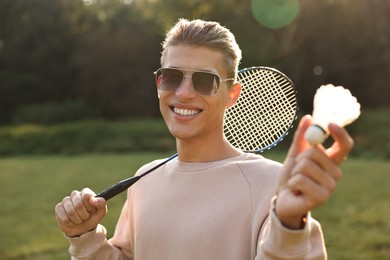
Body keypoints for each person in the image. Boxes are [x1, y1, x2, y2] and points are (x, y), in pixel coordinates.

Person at [55, 19, 353, 259]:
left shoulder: (273, 184)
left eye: (204, 80)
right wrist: (85, 238)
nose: (184, 92)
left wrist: (288, 224)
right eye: (172, 76)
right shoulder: (144, 179)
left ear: (232, 94)